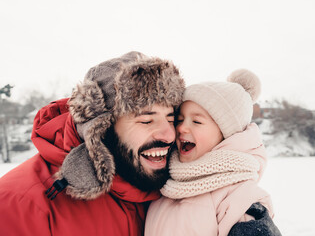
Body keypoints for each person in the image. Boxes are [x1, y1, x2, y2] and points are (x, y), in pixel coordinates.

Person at [0, 51, 185, 236]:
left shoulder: (180, 190)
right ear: (102, 128)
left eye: (171, 118)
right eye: (146, 121)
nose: (169, 135)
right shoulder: (20, 204)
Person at [145, 69, 282, 236]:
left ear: (225, 135)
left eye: (196, 121)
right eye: (179, 120)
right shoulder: (163, 183)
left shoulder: (239, 198)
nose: (182, 127)